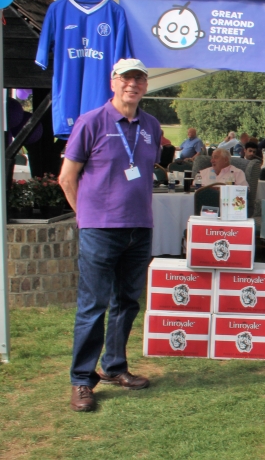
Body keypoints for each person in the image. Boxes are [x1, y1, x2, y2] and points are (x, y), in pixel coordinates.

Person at [58, 58, 162, 412]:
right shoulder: (92, 122)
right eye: (126, 78)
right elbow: (66, 178)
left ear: (146, 85)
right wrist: (85, 216)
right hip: (100, 230)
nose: (132, 84)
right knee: (93, 305)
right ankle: (82, 381)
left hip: (139, 228)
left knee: (127, 302)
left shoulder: (150, 125)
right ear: (113, 82)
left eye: (139, 78)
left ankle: (115, 366)